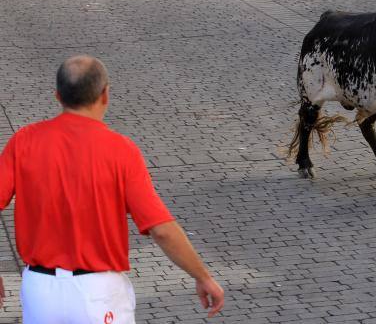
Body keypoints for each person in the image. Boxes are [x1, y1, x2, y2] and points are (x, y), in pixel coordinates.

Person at [0, 56, 225, 321]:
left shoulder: (24, 141)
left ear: (58, 96)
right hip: (99, 293)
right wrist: (202, 276)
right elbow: (161, 229)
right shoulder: (121, 150)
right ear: (105, 94)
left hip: (40, 291)